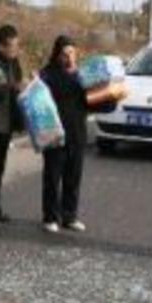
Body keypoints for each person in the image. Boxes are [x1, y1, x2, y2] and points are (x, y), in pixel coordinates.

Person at [40, 35, 88, 233]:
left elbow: (94, 100)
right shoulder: (47, 75)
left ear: (76, 54)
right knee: (52, 177)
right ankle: (50, 217)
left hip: (77, 133)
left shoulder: (83, 75)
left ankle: (69, 216)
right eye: (64, 54)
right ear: (57, 55)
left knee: (73, 177)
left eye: (71, 53)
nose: (68, 58)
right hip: (54, 134)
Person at [0, 24, 24, 227]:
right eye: (13, 46)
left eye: (18, 45)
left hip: (7, 124)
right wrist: (13, 86)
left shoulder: (13, 63)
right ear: (1, 47)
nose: (16, 50)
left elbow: (17, 88)